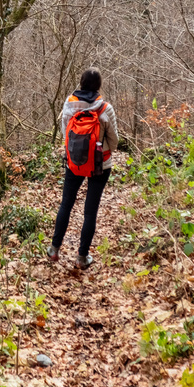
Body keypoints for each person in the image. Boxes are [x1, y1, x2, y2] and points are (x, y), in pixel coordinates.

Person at [47, 67, 118, 269]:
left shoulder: (69, 104)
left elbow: (65, 134)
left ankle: (54, 249)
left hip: (74, 163)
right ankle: (82, 257)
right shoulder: (105, 109)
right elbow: (114, 142)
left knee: (66, 204)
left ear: (81, 82)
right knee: (90, 211)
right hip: (100, 165)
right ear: (99, 86)